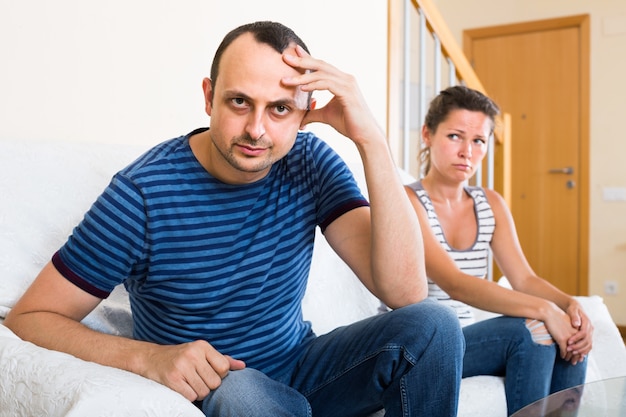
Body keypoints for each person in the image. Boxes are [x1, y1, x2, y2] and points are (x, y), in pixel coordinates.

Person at [4, 21, 464, 417]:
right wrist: (149, 359)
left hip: (302, 364)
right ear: (209, 97)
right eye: (239, 102)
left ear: (303, 112)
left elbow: (405, 292)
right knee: (244, 396)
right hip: (224, 383)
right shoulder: (144, 193)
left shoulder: (308, 160)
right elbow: (30, 318)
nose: (256, 130)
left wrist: (371, 140)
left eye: (280, 108)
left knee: (433, 325)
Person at [401, 85, 593, 415]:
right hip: (423, 344)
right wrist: (546, 311)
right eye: (455, 136)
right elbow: (454, 283)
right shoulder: (407, 201)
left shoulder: (490, 204)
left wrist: (568, 305)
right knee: (533, 327)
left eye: (478, 141)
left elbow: (524, 278)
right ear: (427, 135)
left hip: (467, 339)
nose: (467, 152)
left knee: (570, 333)